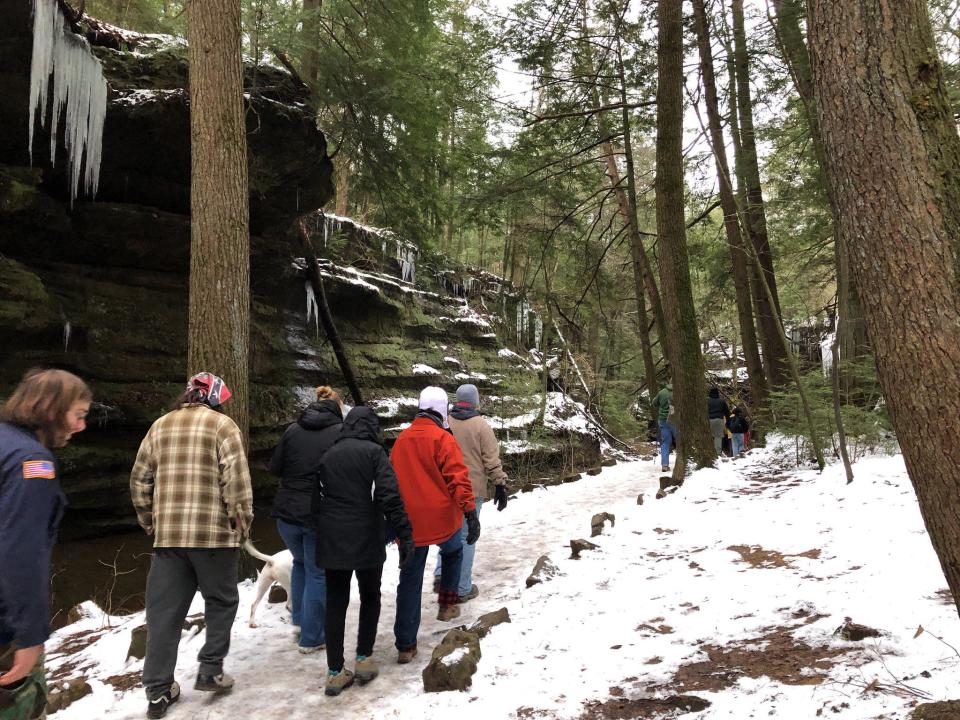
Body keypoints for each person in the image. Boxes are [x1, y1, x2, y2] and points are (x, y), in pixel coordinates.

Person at [129, 372, 253, 720]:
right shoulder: (222, 426)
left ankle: (157, 690)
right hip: (212, 536)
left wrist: (150, 521)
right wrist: (241, 523)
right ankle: (210, 669)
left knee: (164, 615)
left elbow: (139, 480)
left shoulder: (159, 426)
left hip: (169, 539)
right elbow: (237, 481)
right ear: (215, 397)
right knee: (222, 600)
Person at [0, 369, 90, 720]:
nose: (82, 426)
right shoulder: (31, 461)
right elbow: (19, 552)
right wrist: (30, 635)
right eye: (78, 415)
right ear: (52, 409)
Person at [313, 407, 414, 696]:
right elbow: (389, 496)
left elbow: (314, 503)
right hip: (367, 537)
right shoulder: (374, 453)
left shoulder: (327, 456)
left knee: (336, 602)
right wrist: (405, 534)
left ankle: (334, 672)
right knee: (370, 595)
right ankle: (364, 658)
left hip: (333, 540)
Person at [390, 386, 478, 664]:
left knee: (410, 581)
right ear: (441, 410)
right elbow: (458, 478)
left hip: (410, 524)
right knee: (453, 551)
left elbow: (390, 482)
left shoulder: (401, 439)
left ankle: (405, 645)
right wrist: (470, 513)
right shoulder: (443, 438)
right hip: (442, 519)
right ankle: (447, 603)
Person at [268, 386, 343, 654]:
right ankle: (312, 637)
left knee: (300, 564)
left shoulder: (292, 430)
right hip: (317, 514)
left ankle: (299, 622)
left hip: (286, 512)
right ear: (338, 408)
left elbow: (274, 467)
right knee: (317, 572)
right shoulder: (339, 432)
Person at [434, 384, 508, 603]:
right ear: (475, 401)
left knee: (448, 533)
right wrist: (500, 484)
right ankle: (462, 587)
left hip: (446, 487)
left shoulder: (445, 421)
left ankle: (441, 575)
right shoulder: (481, 425)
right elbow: (491, 460)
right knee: (467, 537)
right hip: (472, 489)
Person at [652, 381, 675, 472]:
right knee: (681, 442)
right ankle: (683, 463)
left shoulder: (662, 392)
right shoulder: (679, 392)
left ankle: (665, 465)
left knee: (665, 442)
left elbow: (654, 403)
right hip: (675, 420)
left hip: (663, 420)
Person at [707, 388, 730, 456]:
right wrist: (728, 422)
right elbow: (727, 412)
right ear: (717, 393)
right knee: (718, 437)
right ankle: (718, 453)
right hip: (719, 419)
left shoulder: (706, 400)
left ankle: (709, 451)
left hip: (709, 419)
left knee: (708, 436)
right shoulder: (722, 401)